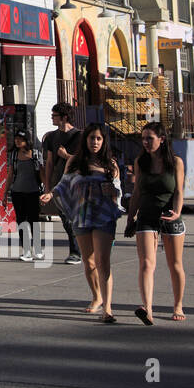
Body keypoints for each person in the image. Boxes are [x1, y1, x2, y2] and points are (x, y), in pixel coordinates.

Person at [40, 123, 124, 323]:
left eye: (98, 139)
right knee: (89, 261)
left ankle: (108, 308)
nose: (94, 142)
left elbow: (119, 190)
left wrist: (113, 192)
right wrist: (50, 194)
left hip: (104, 216)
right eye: (91, 138)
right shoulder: (75, 162)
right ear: (85, 140)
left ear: (103, 142)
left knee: (103, 261)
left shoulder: (110, 164)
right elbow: (64, 183)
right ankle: (97, 297)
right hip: (81, 215)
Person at [129, 121, 187, 324]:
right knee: (146, 263)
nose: (145, 142)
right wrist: (130, 218)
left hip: (170, 215)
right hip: (146, 215)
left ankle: (178, 305)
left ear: (162, 140)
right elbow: (136, 192)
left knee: (175, 264)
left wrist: (177, 212)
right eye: (143, 138)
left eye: (150, 138)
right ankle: (148, 309)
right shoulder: (140, 162)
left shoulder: (176, 163)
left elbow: (179, 190)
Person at [41, 102, 84, 266]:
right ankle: (77, 249)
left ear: (64, 117)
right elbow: (50, 162)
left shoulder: (80, 136)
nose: (52, 118)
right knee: (65, 218)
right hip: (58, 183)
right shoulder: (51, 137)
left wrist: (66, 156)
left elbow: (83, 161)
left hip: (76, 183)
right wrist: (47, 185)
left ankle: (76, 251)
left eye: (54, 115)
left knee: (74, 217)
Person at [8, 131, 45, 262]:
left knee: (33, 220)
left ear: (27, 140)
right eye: (16, 139)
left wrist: (46, 191)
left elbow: (42, 173)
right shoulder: (13, 155)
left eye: (20, 139)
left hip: (33, 192)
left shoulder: (35, 154)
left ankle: (38, 248)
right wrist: (5, 193)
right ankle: (26, 250)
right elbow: (10, 175)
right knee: (21, 221)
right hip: (17, 192)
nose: (17, 141)